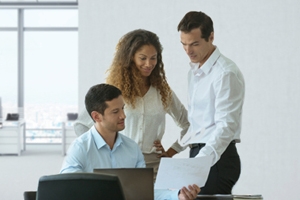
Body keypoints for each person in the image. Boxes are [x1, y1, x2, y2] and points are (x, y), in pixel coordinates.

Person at [74, 29, 190, 179]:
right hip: (119, 166)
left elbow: (189, 125)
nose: (149, 64)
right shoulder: (113, 91)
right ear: (130, 58)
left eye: (153, 58)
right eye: (143, 58)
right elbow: (81, 125)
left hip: (154, 167)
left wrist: (171, 151)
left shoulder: (163, 92)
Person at [60, 83, 200, 200]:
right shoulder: (80, 148)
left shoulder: (132, 148)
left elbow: (145, 192)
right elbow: (67, 190)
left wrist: (177, 195)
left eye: (123, 108)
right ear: (96, 116)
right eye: (115, 112)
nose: (123, 115)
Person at [177, 11, 245, 194]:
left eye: (194, 44)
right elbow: (198, 123)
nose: (188, 51)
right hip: (200, 154)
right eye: (183, 44)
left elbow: (226, 126)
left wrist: (201, 161)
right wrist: (176, 149)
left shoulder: (225, 73)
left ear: (211, 37)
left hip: (216, 159)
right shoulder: (194, 73)